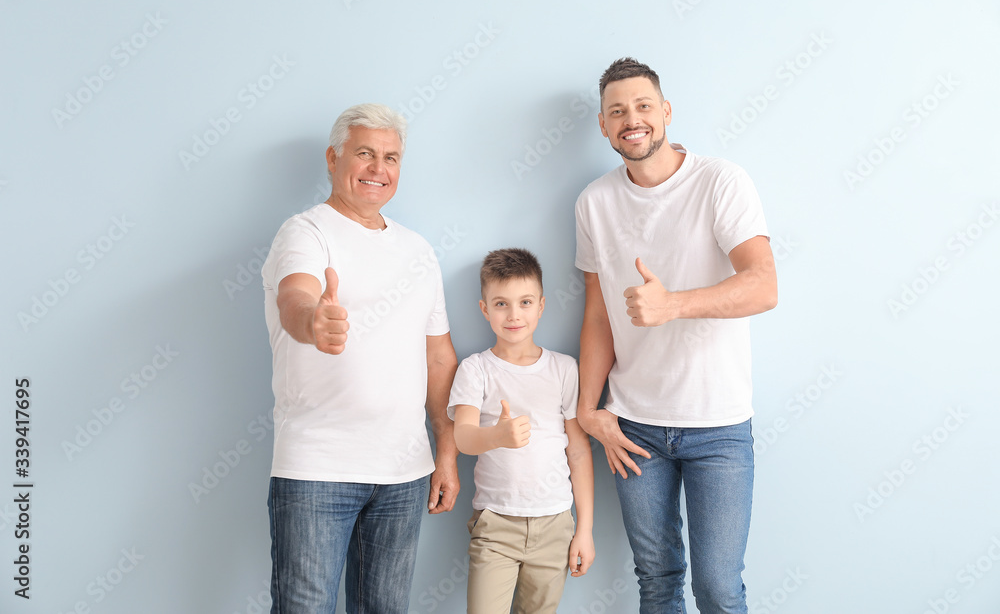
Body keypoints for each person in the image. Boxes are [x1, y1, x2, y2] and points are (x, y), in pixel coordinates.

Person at [574, 58, 777, 613]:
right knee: (657, 581)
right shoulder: (594, 202)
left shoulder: (720, 181)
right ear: (603, 125)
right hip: (635, 425)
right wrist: (589, 409)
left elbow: (763, 286)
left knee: (717, 588)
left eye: (642, 106)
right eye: (617, 111)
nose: (631, 119)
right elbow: (597, 315)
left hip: (718, 426)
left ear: (665, 112)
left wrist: (674, 306)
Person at [260, 103, 460, 613]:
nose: (378, 169)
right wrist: (313, 321)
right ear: (333, 158)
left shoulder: (418, 251)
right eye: (365, 154)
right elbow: (295, 300)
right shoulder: (305, 233)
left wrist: (447, 452)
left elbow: (439, 358)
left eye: (391, 158)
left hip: (404, 473)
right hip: (317, 469)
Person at [448, 248, 595, 614]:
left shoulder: (564, 369)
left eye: (525, 302)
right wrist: (497, 436)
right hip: (496, 524)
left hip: (556, 524)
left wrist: (584, 530)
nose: (514, 315)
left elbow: (578, 450)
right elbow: (462, 437)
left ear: (541, 306)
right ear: (485, 309)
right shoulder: (475, 369)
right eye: (501, 304)